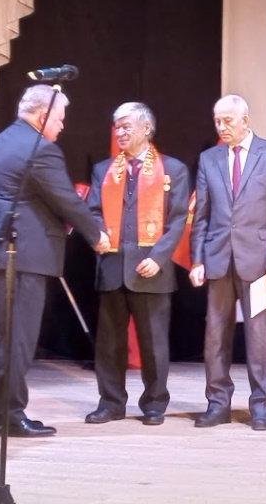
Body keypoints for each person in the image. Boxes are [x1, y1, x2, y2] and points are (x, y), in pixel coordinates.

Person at [0, 84, 109, 437]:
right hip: (22, 254)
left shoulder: (0, 141)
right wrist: (97, 234)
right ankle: (11, 415)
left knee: (1, 339)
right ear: (43, 115)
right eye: (59, 118)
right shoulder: (40, 149)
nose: (62, 126)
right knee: (16, 340)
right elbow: (65, 200)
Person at [189, 94, 266, 431]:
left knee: (260, 337)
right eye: (217, 121)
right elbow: (201, 215)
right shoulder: (209, 158)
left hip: (261, 261)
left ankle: (262, 407)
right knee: (215, 336)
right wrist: (197, 259)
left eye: (228, 121)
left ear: (245, 120)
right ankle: (217, 404)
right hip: (218, 259)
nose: (222, 127)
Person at [84, 103, 191, 426]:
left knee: (154, 343)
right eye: (117, 127)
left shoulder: (173, 169)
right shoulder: (104, 170)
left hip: (151, 268)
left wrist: (158, 258)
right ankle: (110, 402)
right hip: (113, 266)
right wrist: (98, 235)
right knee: (109, 345)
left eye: (126, 126)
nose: (120, 132)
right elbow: (92, 211)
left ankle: (155, 403)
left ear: (147, 128)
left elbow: (178, 220)